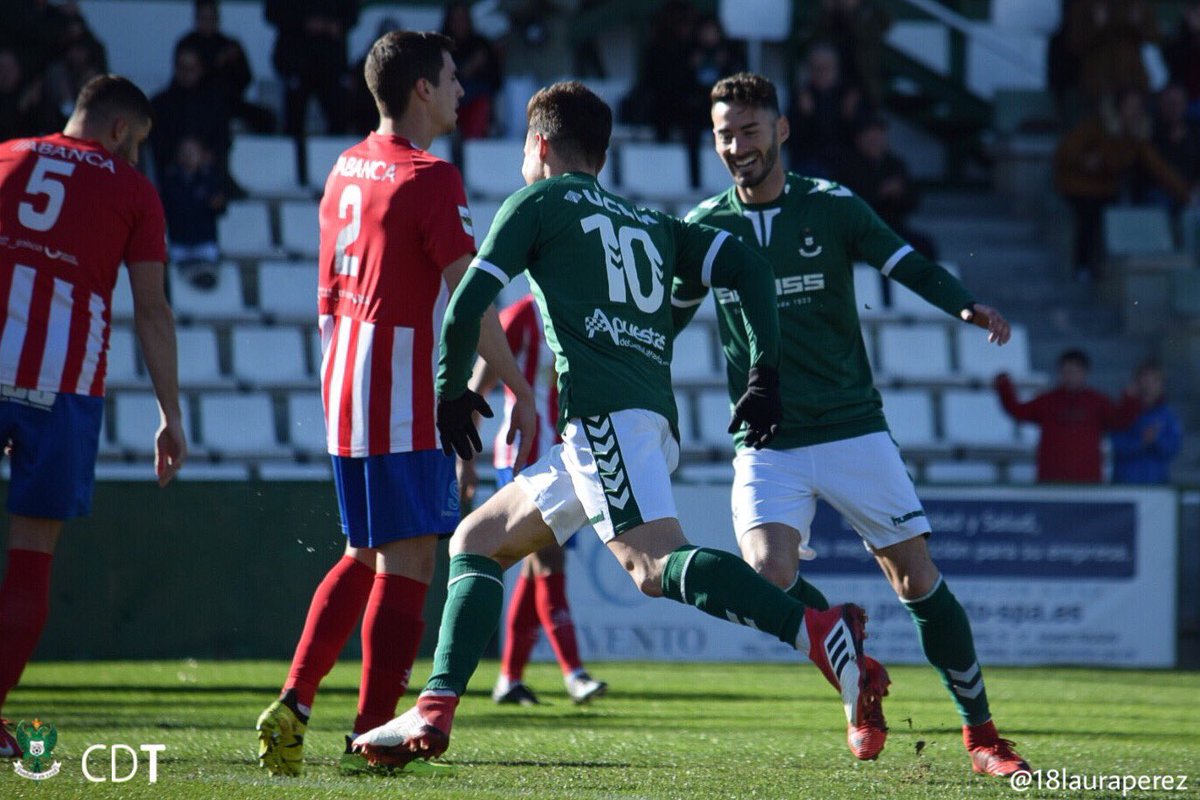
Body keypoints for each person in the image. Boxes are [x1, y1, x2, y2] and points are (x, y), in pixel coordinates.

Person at [353, 80, 890, 771]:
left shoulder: (538, 202)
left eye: (525, 144)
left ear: (540, 146)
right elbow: (750, 266)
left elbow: (468, 303)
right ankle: (433, 710)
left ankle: (815, 629)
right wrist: (766, 371)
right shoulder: (648, 221)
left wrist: (450, 392)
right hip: (627, 421)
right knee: (477, 540)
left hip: (606, 417)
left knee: (653, 564)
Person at [678, 72, 1029, 777]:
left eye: (750, 131)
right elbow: (669, 315)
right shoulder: (705, 227)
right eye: (725, 135)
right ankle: (855, 667)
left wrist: (964, 306)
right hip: (768, 437)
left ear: (781, 130)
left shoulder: (830, 206)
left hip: (850, 427)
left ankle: (983, 737)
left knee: (916, 582)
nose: (738, 146)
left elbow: (904, 262)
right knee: (767, 574)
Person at [254, 30, 537, 779]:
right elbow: (472, 300)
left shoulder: (345, 166)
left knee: (362, 552)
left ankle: (296, 698)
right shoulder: (431, 178)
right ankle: (374, 734)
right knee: (410, 560)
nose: (460, 92)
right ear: (421, 90)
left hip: (345, 386)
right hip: (401, 391)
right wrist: (518, 385)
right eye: (450, 78)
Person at [0, 74, 186, 759]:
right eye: (136, 142)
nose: (136, 157)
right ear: (117, 131)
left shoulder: (6, 155)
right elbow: (153, 310)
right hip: (63, 387)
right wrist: (170, 413)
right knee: (31, 558)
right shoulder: (133, 191)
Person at [457, 294, 607, 706]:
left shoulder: (574, 309)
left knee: (533, 569)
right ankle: (574, 673)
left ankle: (509, 678)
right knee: (549, 562)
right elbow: (478, 385)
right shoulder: (524, 313)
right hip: (525, 457)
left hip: (565, 458)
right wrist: (465, 460)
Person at [1054, 90, 1193, 280]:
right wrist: (1085, 161)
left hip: (1107, 188)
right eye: (1131, 106)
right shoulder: (1095, 126)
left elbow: (1158, 169)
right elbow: (1067, 151)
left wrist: (1186, 195)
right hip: (1080, 185)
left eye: (1138, 107)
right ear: (1120, 108)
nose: (1135, 111)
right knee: (1088, 213)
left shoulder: (1136, 137)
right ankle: (1082, 266)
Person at [995, 349, 1140, 483]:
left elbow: (1121, 420)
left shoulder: (1098, 402)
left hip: (1088, 485)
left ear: (1085, 373)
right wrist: (1004, 387)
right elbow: (1017, 411)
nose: (1070, 377)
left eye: (1075, 372)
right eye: (1066, 372)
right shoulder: (1048, 401)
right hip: (1051, 482)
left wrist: (1131, 400)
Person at [265, 0, 359, 185]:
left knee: (339, 119)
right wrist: (303, 23)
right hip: (296, 60)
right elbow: (272, 12)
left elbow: (352, 14)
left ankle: (339, 176)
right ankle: (294, 178)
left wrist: (334, 24)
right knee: (293, 123)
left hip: (330, 62)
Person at [835, 116, 937, 260]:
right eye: (870, 138)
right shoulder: (847, 167)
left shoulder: (895, 164)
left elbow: (913, 201)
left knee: (924, 245)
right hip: (861, 232)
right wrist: (880, 193)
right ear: (859, 139)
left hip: (893, 227)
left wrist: (899, 195)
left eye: (879, 137)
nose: (875, 142)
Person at [176, 0, 275, 135]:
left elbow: (246, 78)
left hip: (227, 102)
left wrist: (234, 64)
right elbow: (183, 80)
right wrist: (216, 63)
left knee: (267, 118)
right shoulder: (187, 45)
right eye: (204, 18)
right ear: (196, 18)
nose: (208, 22)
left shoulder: (230, 45)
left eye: (212, 18)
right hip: (194, 103)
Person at [787, 43, 866, 178]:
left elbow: (863, 137)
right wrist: (805, 116)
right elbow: (790, 139)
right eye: (816, 68)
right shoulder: (803, 96)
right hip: (811, 163)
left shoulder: (849, 95)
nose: (821, 73)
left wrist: (850, 115)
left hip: (845, 164)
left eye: (826, 68)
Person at [159, 137, 225, 289]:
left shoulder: (211, 180)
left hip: (205, 243)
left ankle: (202, 278)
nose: (188, 155)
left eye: (192, 152)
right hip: (179, 243)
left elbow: (221, 208)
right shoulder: (169, 181)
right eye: (185, 152)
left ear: (201, 154)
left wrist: (218, 204)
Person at [1111, 361, 1181, 484]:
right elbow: (1115, 444)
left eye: (1154, 380)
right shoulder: (1124, 412)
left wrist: (1156, 440)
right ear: (1136, 382)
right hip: (1126, 481)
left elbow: (1173, 448)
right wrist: (1141, 442)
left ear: (1162, 385)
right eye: (1145, 379)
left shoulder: (1168, 416)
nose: (1149, 385)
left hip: (1156, 482)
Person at [440, 1, 502, 140]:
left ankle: (474, 145)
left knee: (481, 102)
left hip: (474, 102)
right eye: (455, 19)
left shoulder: (481, 45)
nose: (459, 23)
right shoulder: (438, 46)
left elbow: (495, 82)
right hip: (446, 103)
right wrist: (464, 70)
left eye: (463, 18)